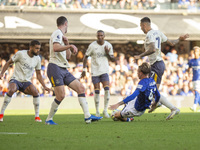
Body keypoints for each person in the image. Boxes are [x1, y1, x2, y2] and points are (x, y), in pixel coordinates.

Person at [45, 16, 102, 125]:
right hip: (55, 67)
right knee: (60, 95)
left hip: (63, 68)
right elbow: (56, 48)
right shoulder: (57, 33)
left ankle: (87, 116)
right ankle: (48, 119)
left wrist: (67, 44)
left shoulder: (62, 36)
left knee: (81, 88)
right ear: (66, 23)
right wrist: (70, 45)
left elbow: (68, 56)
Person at [134, 17, 189, 116]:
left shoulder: (149, 35)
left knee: (151, 89)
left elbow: (153, 49)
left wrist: (140, 55)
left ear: (144, 25)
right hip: (158, 65)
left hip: (156, 65)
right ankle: (158, 103)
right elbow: (172, 43)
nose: (141, 28)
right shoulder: (158, 32)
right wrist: (179, 39)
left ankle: (172, 108)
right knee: (154, 90)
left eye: (141, 26)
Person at [0, 40, 51, 122]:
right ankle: (1, 114)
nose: (38, 50)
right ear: (31, 47)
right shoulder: (21, 54)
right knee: (12, 90)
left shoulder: (37, 59)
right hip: (16, 79)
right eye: (36, 48)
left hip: (26, 82)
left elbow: (38, 74)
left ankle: (37, 116)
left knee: (36, 92)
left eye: (39, 48)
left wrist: (44, 86)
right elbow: (9, 62)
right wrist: (2, 73)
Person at [81, 30, 115, 118]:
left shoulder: (108, 45)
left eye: (101, 35)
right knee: (97, 91)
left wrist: (107, 53)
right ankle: (97, 111)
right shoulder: (92, 46)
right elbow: (85, 57)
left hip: (104, 71)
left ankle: (105, 110)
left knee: (107, 89)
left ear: (104, 36)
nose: (99, 37)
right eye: (98, 35)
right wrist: (84, 69)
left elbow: (113, 60)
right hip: (95, 71)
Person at [188, 46, 200, 112]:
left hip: (199, 79)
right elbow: (188, 69)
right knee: (196, 93)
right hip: (194, 79)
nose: (195, 53)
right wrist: (187, 75)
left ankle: (194, 106)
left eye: (197, 51)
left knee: (197, 91)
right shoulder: (191, 61)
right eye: (195, 51)